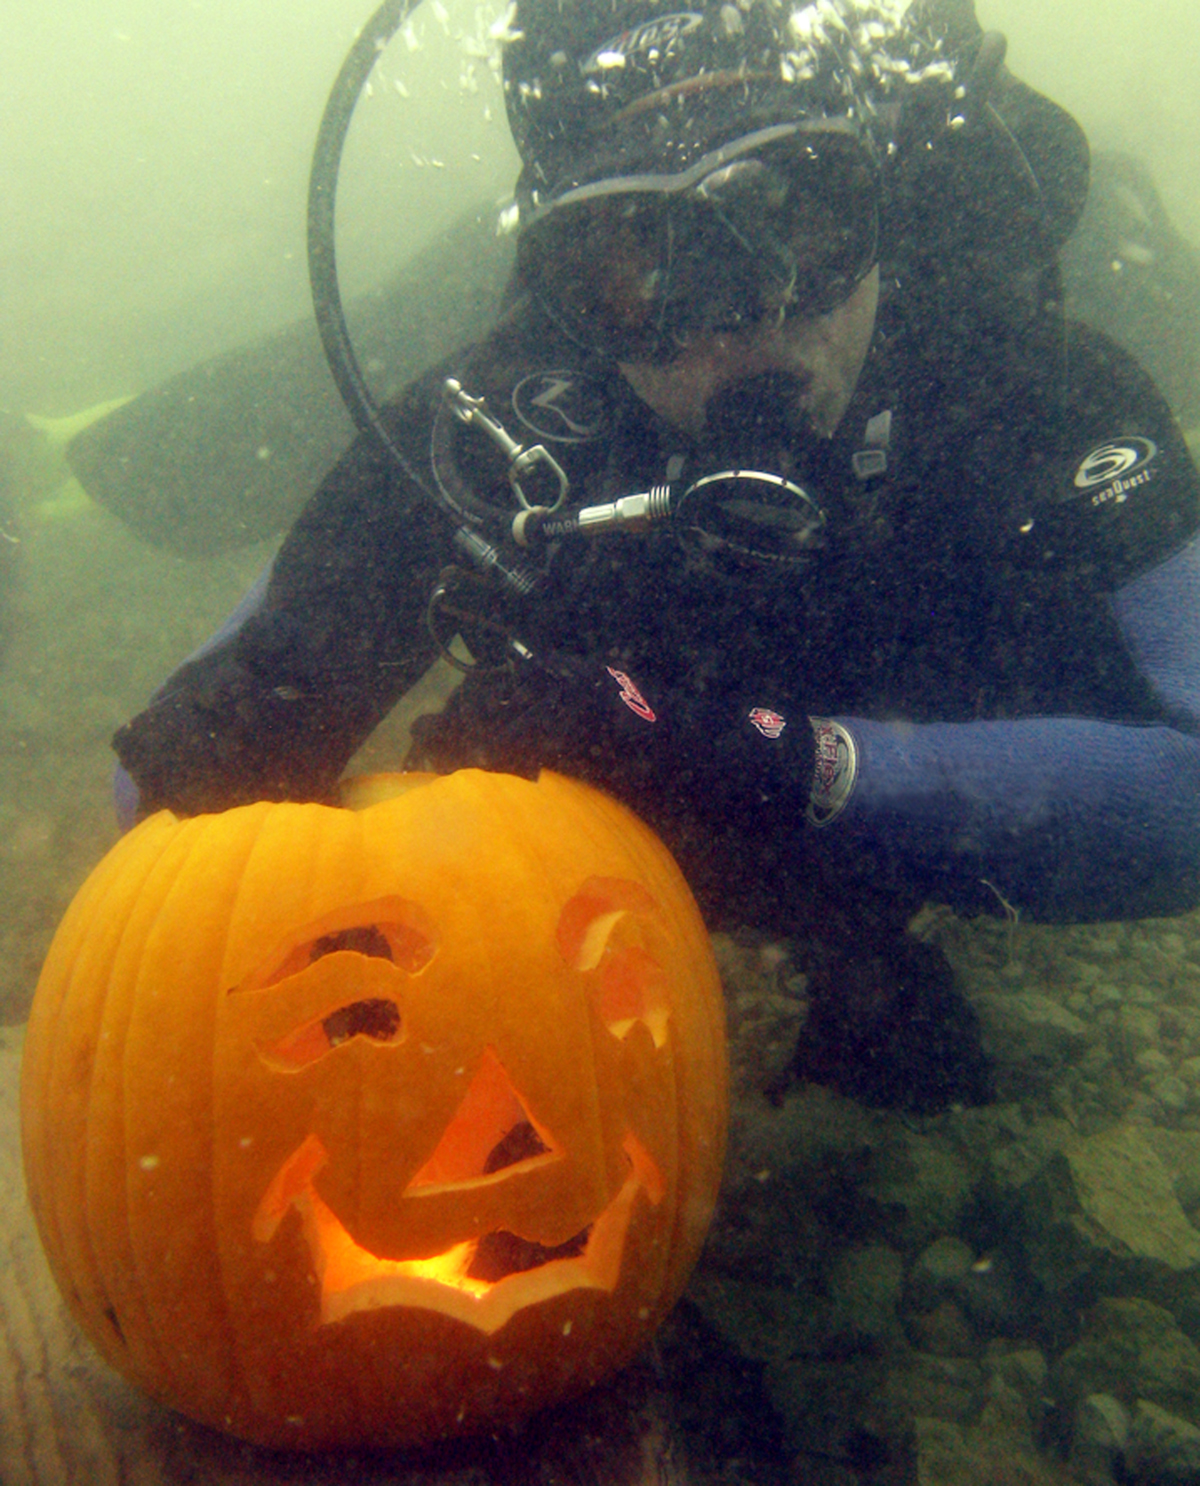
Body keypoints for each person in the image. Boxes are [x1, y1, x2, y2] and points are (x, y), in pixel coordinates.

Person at [112, 0, 1200, 1112]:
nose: (750, 320)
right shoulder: (516, 424)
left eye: (805, 219)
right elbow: (190, 752)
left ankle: (855, 923)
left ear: (881, 201)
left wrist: (788, 762)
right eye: (647, 266)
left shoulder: (1021, 385)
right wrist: (249, 834)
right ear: (571, 291)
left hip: (927, 770)